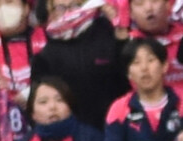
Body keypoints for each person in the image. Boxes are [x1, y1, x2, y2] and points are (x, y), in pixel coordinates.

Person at [33, 0, 122, 128]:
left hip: (115, 122)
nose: (69, 12)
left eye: (74, 6)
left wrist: (117, 25)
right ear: (51, 14)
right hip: (73, 130)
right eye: (60, 8)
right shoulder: (46, 55)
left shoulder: (105, 31)